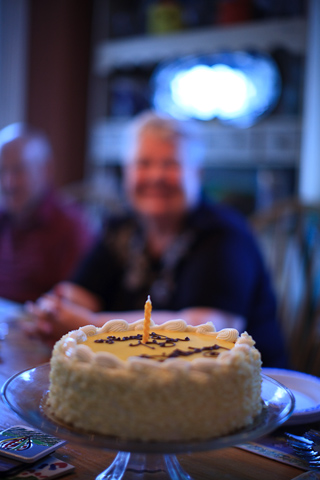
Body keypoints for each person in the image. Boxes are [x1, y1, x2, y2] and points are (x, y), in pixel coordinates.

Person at [26, 111, 287, 367]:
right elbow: (79, 294)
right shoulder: (121, 229)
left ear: (197, 174)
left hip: (247, 393)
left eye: (170, 164)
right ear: (127, 172)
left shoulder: (225, 235)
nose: (155, 176)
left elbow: (207, 329)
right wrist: (54, 311)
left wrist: (90, 325)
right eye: (143, 163)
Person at [0, 123, 95, 303]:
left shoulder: (71, 228)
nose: (8, 182)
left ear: (46, 170)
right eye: (2, 171)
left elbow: (74, 306)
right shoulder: (3, 218)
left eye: (18, 170)